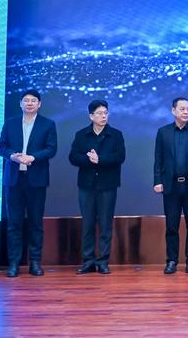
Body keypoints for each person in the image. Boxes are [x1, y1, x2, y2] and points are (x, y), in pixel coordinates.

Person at [0, 89, 58, 278]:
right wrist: (12, 156)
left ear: (39, 104)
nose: (29, 103)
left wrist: (33, 157)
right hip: (13, 180)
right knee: (14, 223)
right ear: (20, 104)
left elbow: (51, 149)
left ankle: (35, 263)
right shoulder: (10, 123)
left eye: (33, 100)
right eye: (26, 100)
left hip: (36, 180)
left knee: (35, 223)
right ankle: (14, 264)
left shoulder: (48, 124)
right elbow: (1, 147)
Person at [68, 100, 126, 275]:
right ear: (91, 116)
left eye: (105, 113)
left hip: (108, 185)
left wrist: (100, 159)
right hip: (86, 185)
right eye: (99, 113)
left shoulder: (116, 135)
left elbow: (120, 157)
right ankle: (88, 261)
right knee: (88, 223)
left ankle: (103, 261)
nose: (103, 116)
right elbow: (73, 157)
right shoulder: (81, 135)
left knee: (105, 224)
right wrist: (89, 159)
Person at [153, 97, 188, 274]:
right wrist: (157, 181)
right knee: (171, 226)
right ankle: (172, 261)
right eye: (182, 109)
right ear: (173, 111)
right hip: (171, 186)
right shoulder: (163, 132)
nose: (186, 112)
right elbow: (158, 159)